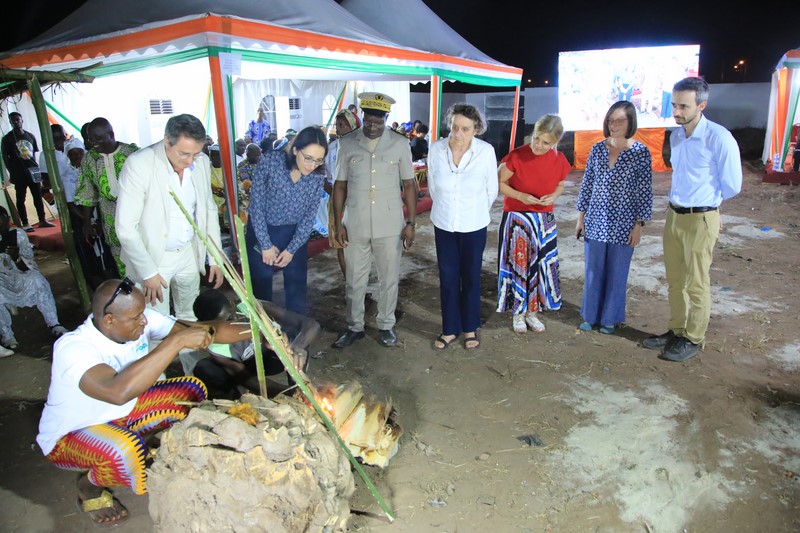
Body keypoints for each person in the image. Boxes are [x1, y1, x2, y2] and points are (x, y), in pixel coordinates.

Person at [35, 278, 251, 527]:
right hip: (70, 436)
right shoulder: (73, 348)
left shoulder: (137, 319)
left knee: (189, 392)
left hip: (122, 415)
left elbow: (208, 329)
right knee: (126, 450)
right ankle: (89, 488)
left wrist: (260, 330)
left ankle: (140, 446)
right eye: (136, 317)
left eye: (142, 314)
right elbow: (117, 392)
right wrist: (175, 342)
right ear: (109, 320)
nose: (144, 321)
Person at [642, 77, 742, 362]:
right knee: (675, 280)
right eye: (674, 105)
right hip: (674, 216)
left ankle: (694, 337)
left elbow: (732, 184)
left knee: (697, 282)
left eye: (683, 106)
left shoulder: (718, 138)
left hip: (700, 219)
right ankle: (676, 330)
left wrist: (711, 208)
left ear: (702, 105)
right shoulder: (677, 136)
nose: (676, 111)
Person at [116, 113, 223, 321]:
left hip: (188, 251)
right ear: (167, 141)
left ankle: (189, 342)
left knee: (190, 314)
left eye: (196, 154)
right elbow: (126, 228)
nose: (190, 161)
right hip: (154, 255)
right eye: (184, 154)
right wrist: (148, 272)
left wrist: (215, 258)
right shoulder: (139, 164)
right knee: (156, 319)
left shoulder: (201, 163)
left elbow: (208, 210)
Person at [332, 91, 416, 348]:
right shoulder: (347, 143)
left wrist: (411, 223)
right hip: (355, 222)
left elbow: (409, 185)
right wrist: (337, 223)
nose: (372, 127)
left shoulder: (399, 144)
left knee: (388, 278)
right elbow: (339, 185)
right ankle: (354, 326)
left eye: (378, 122)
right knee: (354, 279)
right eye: (368, 121)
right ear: (362, 116)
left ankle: (386, 324)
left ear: (386, 118)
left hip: (390, 224)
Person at [575, 101, 653, 334]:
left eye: (619, 120)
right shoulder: (597, 149)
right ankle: (590, 316)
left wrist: (638, 225)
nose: (614, 125)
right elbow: (587, 184)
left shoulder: (640, 153)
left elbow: (644, 191)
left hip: (624, 222)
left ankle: (610, 318)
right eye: (610, 120)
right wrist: (581, 218)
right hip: (596, 220)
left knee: (617, 272)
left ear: (631, 122)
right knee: (593, 271)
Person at [427, 104, 498, 350]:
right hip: (444, 223)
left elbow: (491, 190)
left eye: (465, 129)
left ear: (476, 129)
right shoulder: (436, 149)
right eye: (455, 127)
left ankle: (469, 327)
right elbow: (433, 185)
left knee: (471, 277)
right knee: (447, 277)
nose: (458, 134)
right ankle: (449, 329)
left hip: (474, 224)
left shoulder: (485, 152)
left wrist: (473, 212)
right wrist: (448, 209)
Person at [496, 114, 571, 334]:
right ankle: (517, 312)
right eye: (536, 138)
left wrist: (553, 196)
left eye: (545, 142)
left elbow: (560, 184)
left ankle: (533, 311)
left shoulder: (559, 160)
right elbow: (499, 182)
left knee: (540, 265)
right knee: (518, 265)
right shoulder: (517, 156)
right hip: (517, 217)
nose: (538, 145)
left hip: (544, 220)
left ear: (555, 143)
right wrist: (521, 196)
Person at [245, 125, 327, 315]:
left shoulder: (317, 175)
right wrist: (265, 245)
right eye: (308, 158)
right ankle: (264, 329)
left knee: (296, 284)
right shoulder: (271, 162)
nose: (311, 165)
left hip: (294, 233)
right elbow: (256, 206)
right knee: (261, 282)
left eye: (318, 160)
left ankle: (297, 328)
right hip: (262, 229)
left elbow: (309, 216)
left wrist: (291, 250)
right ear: (296, 149)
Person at [191, 288, 318, 399]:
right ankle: (237, 398)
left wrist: (298, 346)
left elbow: (311, 324)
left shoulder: (253, 307)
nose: (231, 325)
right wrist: (288, 392)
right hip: (250, 367)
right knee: (206, 368)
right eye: (222, 326)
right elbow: (246, 378)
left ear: (232, 304)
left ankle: (298, 383)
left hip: (275, 358)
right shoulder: (216, 347)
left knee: (296, 337)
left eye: (230, 317)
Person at [74, 117, 139, 278]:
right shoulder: (89, 159)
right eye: (90, 139)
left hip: (138, 216)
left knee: (147, 260)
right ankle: (132, 293)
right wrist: (87, 223)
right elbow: (88, 193)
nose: (93, 143)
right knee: (122, 264)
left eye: (98, 138)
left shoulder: (133, 154)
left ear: (111, 134)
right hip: (110, 219)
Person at [0, 206, 68, 353]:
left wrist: (16, 258)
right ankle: (7, 335)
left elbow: (29, 265)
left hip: (19, 276)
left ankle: (54, 324)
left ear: (8, 221)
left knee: (37, 280)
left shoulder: (18, 235)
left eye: (3, 222)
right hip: (1, 282)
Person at [1, 112, 52, 231]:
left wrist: (37, 170)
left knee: (38, 196)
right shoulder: (7, 138)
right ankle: (25, 223)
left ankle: (42, 220)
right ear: (10, 122)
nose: (16, 122)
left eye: (18, 120)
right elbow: (5, 157)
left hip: (33, 170)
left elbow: (33, 154)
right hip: (18, 172)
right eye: (13, 120)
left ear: (22, 120)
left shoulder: (30, 136)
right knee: (21, 198)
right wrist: (11, 172)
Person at [323, 108, 358, 277]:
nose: (337, 129)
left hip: (356, 201)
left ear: (352, 126)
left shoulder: (360, 148)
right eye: (336, 125)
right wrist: (336, 193)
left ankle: (358, 280)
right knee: (341, 243)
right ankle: (349, 281)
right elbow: (322, 178)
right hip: (337, 201)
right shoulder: (330, 149)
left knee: (358, 243)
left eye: (341, 125)